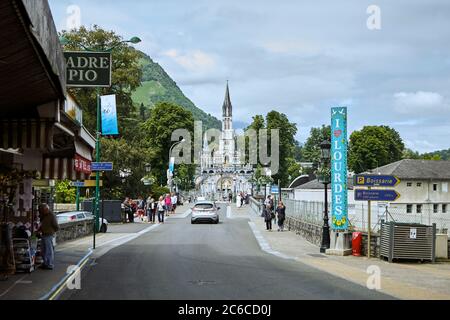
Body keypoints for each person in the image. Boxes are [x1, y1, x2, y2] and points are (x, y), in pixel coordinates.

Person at [38, 203, 59, 270]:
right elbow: (42, 224)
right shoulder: (43, 215)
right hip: (44, 234)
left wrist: (52, 232)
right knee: (43, 250)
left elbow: (56, 225)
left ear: (46, 209)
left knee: (49, 250)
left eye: (43, 210)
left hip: (49, 234)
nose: (42, 211)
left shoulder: (51, 215)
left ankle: (49, 264)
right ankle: (45, 263)